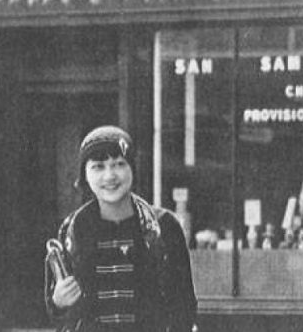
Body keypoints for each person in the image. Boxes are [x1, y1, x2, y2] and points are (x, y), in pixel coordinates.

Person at [44, 125, 197, 332]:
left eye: (118, 164)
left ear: (132, 168)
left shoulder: (164, 226)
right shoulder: (72, 230)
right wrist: (58, 301)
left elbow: (184, 307)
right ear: (85, 175)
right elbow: (57, 312)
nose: (109, 176)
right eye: (98, 166)